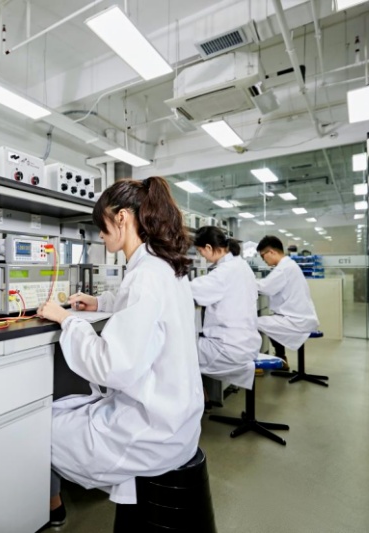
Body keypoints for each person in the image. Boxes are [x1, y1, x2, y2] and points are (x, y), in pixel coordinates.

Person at [36, 177, 203, 525]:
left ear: (122, 218)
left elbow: (111, 366)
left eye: (103, 225)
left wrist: (67, 320)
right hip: (178, 423)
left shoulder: (146, 275)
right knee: (65, 408)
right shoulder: (163, 267)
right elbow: (141, 308)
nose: (101, 235)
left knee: (37, 425)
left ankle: (47, 507)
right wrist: (99, 302)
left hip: (152, 432)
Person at [190, 227, 261, 404]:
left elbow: (190, 291)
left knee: (176, 349)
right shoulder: (241, 265)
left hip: (229, 349)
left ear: (208, 247)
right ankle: (200, 396)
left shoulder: (224, 272)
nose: (201, 256)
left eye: (200, 251)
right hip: (247, 343)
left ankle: (197, 400)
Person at [256, 235, 319, 367]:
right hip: (300, 317)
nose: (263, 260)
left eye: (263, 256)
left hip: (297, 320)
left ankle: (255, 361)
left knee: (254, 322)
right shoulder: (288, 265)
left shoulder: (284, 268)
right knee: (269, 321)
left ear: (271, 252)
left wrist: (244, 281)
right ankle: (280, 356)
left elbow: (265, 287)